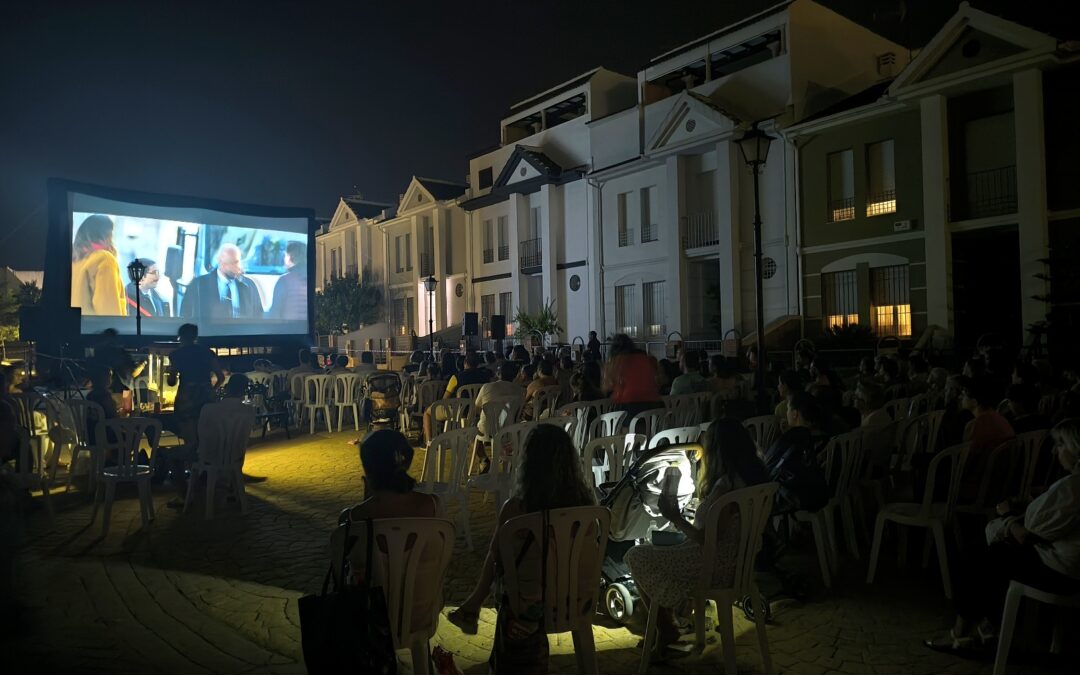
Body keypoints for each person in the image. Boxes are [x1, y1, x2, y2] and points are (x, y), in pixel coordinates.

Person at [446, 425, 596, 673]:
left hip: (531, 611)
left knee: (502, 564)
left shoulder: (516, 508)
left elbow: (498, 557)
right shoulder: (587, 507)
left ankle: (475, 606)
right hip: (578, 601)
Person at [925, 418, 1080, 654]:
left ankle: (961, 633)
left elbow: (1031, 531)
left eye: (1060, 444)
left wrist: (1008, 518)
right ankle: (989, 626)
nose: (1054, 451)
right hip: (1067, 564)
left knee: (978, 556)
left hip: (1061, 571)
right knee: (995, 555)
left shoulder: (1072, 487)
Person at [625, 419, 769, 652]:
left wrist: (675, 518)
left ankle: (667, 623)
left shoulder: (727, 485)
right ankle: (672, 615)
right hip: (740, 563)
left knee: (636, 555)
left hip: (714, 567)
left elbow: (707, 538)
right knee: (659, 549)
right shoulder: (757, 479)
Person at [333, 429, 443, 600]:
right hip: (421, 615)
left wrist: (368, 499)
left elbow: (340, 575)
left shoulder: (351, 519)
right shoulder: (432, 507)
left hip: (372, 621)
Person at [163, 373, 254, 506]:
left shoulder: (209, 409)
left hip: (208, 456)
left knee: (171, 454)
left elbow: (201, 434)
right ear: (245, 390)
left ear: (227, 388)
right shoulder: (249, 411)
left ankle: (184, 495)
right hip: (234, 456)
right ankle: (227, 487)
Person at [958, 375, 1015, 504]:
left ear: (974, 401)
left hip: (977, 488)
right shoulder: (1001, 420)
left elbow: (965, 463)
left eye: (964, 394)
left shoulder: (977, 424)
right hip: (997, 486)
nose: (960, 397)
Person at [166, 324, 224, 449]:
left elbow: (171, 382)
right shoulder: (208, 353)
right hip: (206, 395)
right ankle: (206, 460)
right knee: (206, 432)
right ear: (195, 336)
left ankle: (191, 461)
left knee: (188, 434)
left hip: (186, 397)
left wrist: (171, 375)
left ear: (180, 337)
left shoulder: (176, 355)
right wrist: (212, 390)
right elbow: (221, 377)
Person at [180, 243, 263, 320]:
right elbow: (186, 318)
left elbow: (259, 319)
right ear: (221, 263)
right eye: (234, 263)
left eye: (239, 262)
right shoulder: (197, 286)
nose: (239, 267)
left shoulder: (250, 286)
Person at [71, 214, 126, 316]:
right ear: (106, 236)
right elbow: (109, 313)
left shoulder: (75, 259)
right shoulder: (104, 259)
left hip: (75, 328)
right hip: (97, 330)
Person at [472, 362, 523, 472]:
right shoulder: (520, 391)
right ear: (515, 375)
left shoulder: (487, 387)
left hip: (487, 429)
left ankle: (483, 459)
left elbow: (476, 409)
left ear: (498, 373)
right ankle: (504, 459)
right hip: (509, 429)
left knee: (473, 431)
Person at [603, 334, 660, 417]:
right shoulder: (644, 358)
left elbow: (607, 386)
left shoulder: (617, 362)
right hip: (652, 405)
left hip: (629, 406)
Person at [90, 328, 146, 393]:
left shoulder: (98, 353)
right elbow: (132, 372)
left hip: (101, 392)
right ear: (114, 338)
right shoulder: (120, 353)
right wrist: (142, 365)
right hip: (122, 392)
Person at [269, 241, 307, 320]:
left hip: (287, 329)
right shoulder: (310, 279)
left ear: (290, 257)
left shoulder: (284, 281)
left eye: (285, 255)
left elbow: (275, 313)